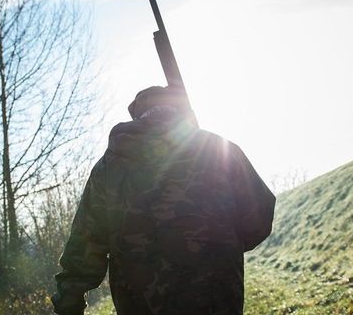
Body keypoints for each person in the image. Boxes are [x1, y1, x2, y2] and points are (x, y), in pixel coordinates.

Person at [51, 86, 276, 315]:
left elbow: (86, 242)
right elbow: (259, 220)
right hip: (217, 300)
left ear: (139, 114)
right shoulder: (221, 150)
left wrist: (69, 299)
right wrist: (218, 245)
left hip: (140, 305)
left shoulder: (110, 167)